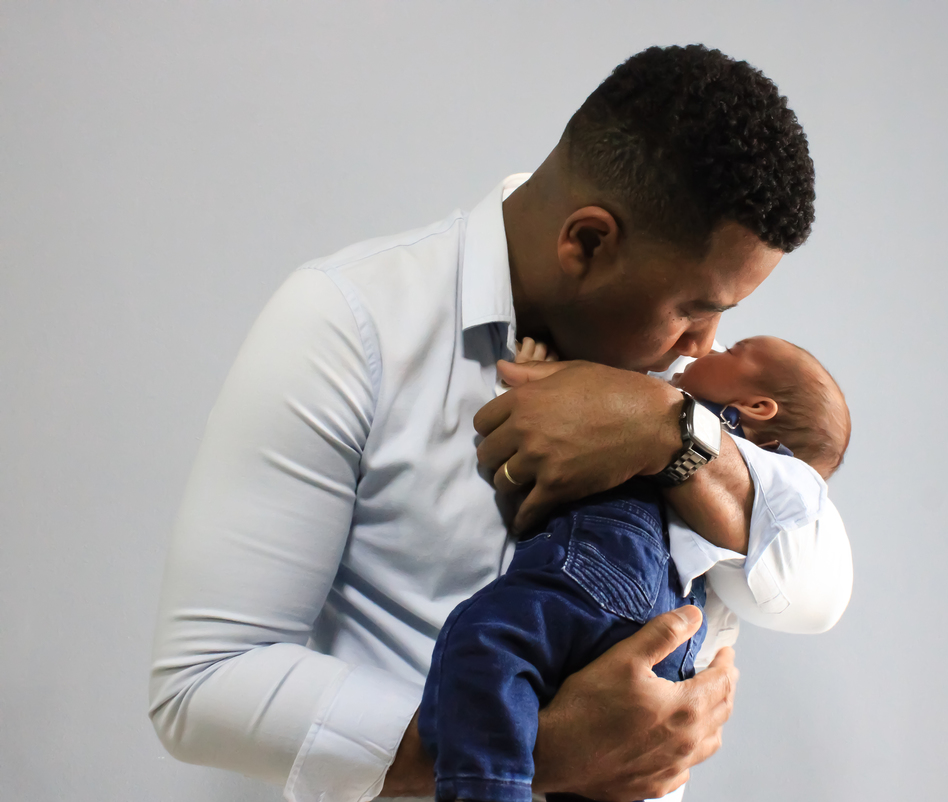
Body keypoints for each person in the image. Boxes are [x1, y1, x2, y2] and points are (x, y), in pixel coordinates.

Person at [148, 44, 853, 802]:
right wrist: (539, 752)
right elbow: (203, 685)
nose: (703, 344)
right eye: (695, 310)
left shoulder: (683, 390)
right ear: (588, 243)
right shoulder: (350, 325)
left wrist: (670, 431)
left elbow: (816, 592)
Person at [419, 336, 851, 802]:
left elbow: (813, 579)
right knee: (621, 761)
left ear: (757, 407)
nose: (707, 347)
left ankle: (488, 789)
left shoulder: (780, 476)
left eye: (731, 353)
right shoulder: (726, 460)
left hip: (609, 572)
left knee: (491, 644)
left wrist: (537, 385)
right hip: (667, 631)